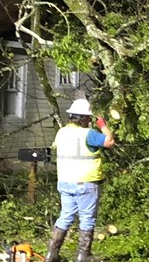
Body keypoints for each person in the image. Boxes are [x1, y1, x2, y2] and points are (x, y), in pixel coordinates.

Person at [45, 98, 116, 262]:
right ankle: (84, 256)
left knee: (65, 216)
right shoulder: (88, 134)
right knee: (87, 218)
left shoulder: (61, 132)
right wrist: (102, 125)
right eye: (89, 118)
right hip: (86, 182)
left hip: (65, 182)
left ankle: (52, 254)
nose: (90, 120)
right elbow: (110, 141)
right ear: (84, 118)